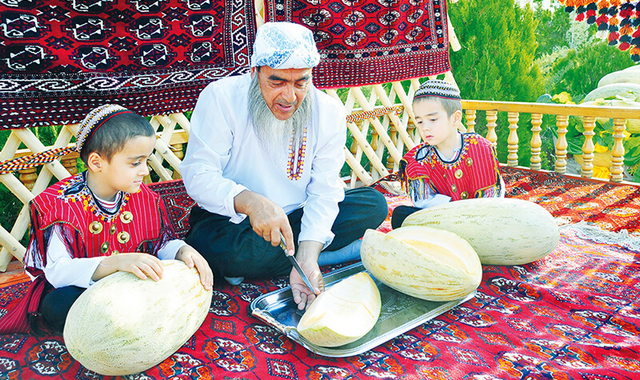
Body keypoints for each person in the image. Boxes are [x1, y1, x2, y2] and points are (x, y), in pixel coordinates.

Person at [180, 22, 388, 310]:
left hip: (295, 219)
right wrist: (250, 202)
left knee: (374, 204)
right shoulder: (221, 98)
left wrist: (308, 254)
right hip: (236, 223)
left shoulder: (328, 112)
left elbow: (325, 190)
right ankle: (331, 251)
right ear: (255, 73)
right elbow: (198, 174)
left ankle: (306, 255)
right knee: (217, 248)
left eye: (300, 82)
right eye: (277, 82)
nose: (289, 97)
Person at [0, 104, 213, 335]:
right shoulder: (59, 204)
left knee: (181, 277)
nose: (144, 171)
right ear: (96, 162)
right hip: (86, 290)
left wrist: (183, 250)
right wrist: (116, 263)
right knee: (58, 304)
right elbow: (58, 271)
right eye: (135, 163)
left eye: (146, 160)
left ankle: (134, 321)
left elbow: (160, 243)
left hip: (132, 286)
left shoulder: (146, 199)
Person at [391, 79, 504, 229]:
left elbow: (492, 197)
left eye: (432, 119)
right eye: (419, 122)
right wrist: (452, 209)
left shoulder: (480, 148)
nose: (425, 128)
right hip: (443, 219)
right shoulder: (418, 159)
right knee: (400, 215)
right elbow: (424, 202)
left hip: (480, 219)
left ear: (455, 118)